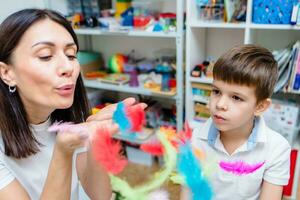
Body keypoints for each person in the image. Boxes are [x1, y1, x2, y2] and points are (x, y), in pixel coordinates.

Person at [0, 9, 145, 200]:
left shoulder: (66, 118)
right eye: (45, 56)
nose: (68, 67)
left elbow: (100, 196)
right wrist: (63, 152)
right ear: (7, 73)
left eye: (71, 55)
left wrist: (96, 138)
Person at [181, 45, 291, 200]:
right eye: (216, 92)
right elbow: (189, 192)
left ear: (260, 106)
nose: (220, 104)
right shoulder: (196, 138)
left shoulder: (277, 148)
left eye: (236, 97)